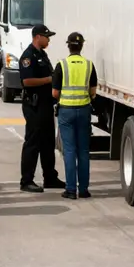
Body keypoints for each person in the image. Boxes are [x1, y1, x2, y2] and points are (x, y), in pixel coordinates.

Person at [19, 24, 66, 193]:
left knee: (48, 142)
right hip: (34, 105)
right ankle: (26, 181)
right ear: (37, 37)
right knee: (33, 142)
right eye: (47, 37)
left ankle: (50, 177)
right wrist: (49, 79)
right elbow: (27, 81)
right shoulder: (28, 56)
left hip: (45, 105)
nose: (49, 40)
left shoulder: (42, 55)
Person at [52, 31, 97, 199]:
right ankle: (83, 190)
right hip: (84, 110)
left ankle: (71, 190)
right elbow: (93, 92)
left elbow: (55, 93)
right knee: (83, 151)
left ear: (68, 46)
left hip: (66, 112)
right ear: (82, 46)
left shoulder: (61, 65)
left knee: (69, 151)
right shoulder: (89, 65)